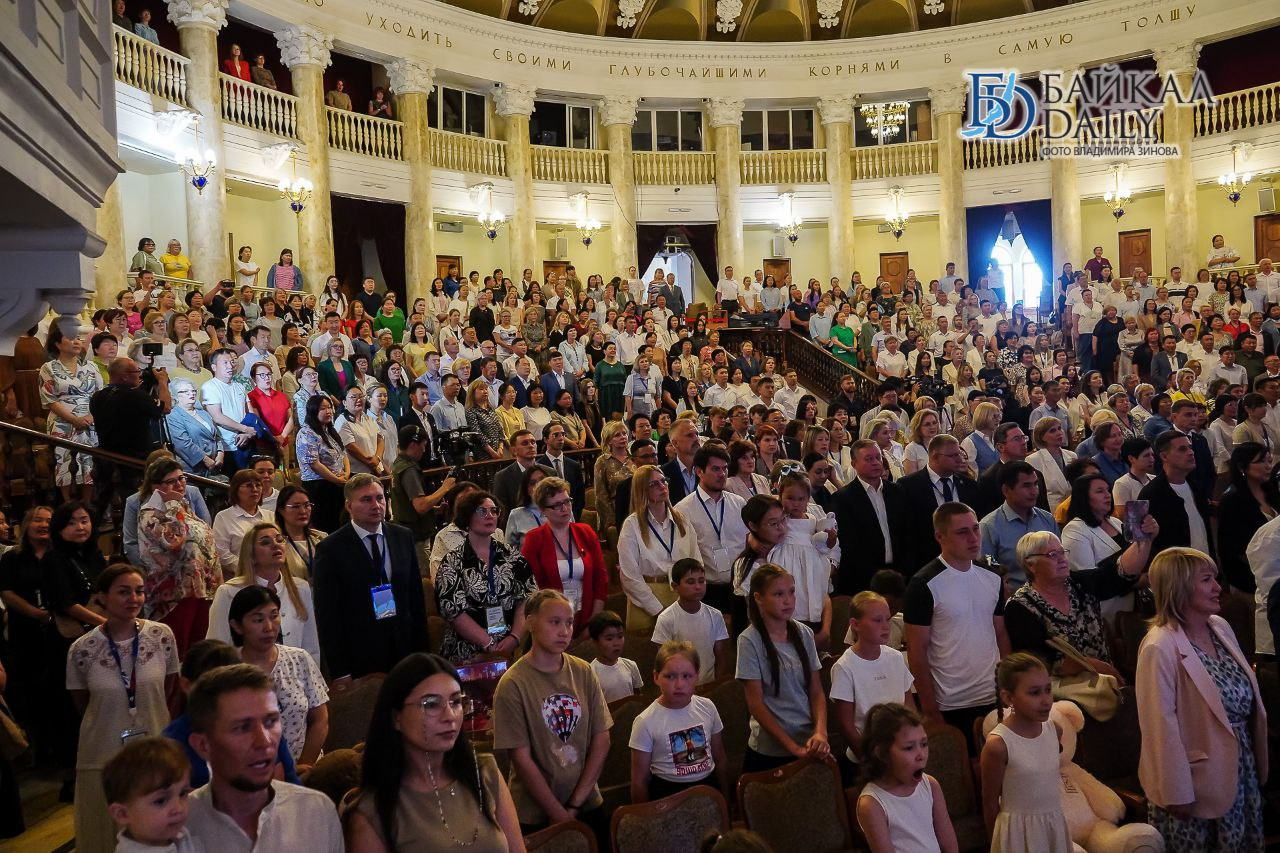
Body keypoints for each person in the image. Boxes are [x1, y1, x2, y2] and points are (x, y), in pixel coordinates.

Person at [1137, 547, 1266, 851]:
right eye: (1207, 580)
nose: (1218, 587)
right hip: (1195, 782)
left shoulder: (1219, 626)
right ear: (1179, 587)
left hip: (1239, 767)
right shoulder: (1159, 645)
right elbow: (1159, 727)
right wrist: (1176, 791)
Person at [347, 653, 525, 852]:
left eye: (456, 702)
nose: (449, 716)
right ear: (396, 717)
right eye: (431, 704)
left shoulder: (485, 773)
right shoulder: (373, 812)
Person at [67, 565, 180, 853]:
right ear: (102, 597)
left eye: (139, 591)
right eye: (123, 592)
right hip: (103, 750)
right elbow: (84, 703)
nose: (134, 598)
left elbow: (168, 690)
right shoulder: (82, 648)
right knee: (104, 834)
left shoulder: (162, 636)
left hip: (155, 744)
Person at [184, 664, 344, 851]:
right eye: (242, 727)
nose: (264, 741)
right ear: (203, 745)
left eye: (271, 721)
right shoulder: (177, 828)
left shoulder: (316, 812)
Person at [492, 589, 613, 834]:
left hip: (584, 800)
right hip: (535, 811)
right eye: (555, 622)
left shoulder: (583, 671)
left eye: (569, 623)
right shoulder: (512, 683)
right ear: (530, 622)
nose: (564, 631)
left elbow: (601, 737)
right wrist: (558, 814)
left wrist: (575, 804)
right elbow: (521, 758)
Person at [904, 503, 1009, 752]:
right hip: (951, 701)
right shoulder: (923, 584)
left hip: (993, 694)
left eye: (975, 529)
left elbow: (1000, 634)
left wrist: (1009, 686)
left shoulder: (993, 577)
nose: (973, 538)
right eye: (962, 532)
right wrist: (929, 707)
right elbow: (916, 652)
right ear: (940, 537)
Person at [313, 474, 427, 686]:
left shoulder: (402, 536)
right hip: (360, 652)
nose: (376, 505)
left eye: (380, 498)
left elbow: (416, 599)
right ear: (349, 505)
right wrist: (340, 671)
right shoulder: (330, 549)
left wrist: (423, 654)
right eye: (366, 499)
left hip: (404, 646)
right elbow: (328, 615)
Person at [736, 564, 828, 772]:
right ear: (759, 598)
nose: (788, 600)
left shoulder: (804, 633)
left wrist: (820, 732)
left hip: (807, 739)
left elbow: (816, 690)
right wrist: (793, 748)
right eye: (778, 594)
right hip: (770, 750)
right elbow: (756, 705)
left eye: (791, 592)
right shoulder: (749, 640)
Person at [979, 653, 1074, 852]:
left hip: (1052, 827)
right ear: (1008, 697)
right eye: (1034, 693)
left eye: (1048, 690)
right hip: (1017, 835)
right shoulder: (998, 745)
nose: (1046, 700)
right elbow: (990, 803)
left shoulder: (1055, 730)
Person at [226, 586, 328, 769]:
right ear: (237, 626)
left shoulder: (299, 659)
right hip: (252, 772)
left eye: (274, 616)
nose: (269, 627)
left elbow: (320, 720)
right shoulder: (228, 671)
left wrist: (303, 767)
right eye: (258, 620)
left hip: (306, 768)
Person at [435, 489, 535, 664]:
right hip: (466, 653)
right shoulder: (452, 561)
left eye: (494, 511)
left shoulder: (512, 556)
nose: (490, 515)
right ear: (467, 517)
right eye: (482, 511)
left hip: (510, 648)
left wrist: (515, 637)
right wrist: (488, 643)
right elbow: (453, 611)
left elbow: (527, 598)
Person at [136, 458, 221, 654]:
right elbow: (174, 541)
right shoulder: (150, 513)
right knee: (177, 652)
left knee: (200, 651)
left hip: (201, 590)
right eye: (171, 481)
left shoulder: (183, 507)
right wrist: (173, 504)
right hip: (174, 595)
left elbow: (205, 543)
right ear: (155, 486)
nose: (180, 484)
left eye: (182, 478)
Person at [629, 640, 729, 803]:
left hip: (708, 788)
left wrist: (725, 800)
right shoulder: (645, 721)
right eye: (670, 676)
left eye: (687, 676)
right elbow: (639, 781)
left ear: (697, 676)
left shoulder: (708, 707)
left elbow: (720, 757)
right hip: (668, 793)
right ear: (656, 677)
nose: (679, 684)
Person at [208, 521, 319, 665]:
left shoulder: (301, 587)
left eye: (280, 539)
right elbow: (216, 648)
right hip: (246, 676)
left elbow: (311, 646)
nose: (276, 545)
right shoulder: (229, 592)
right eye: (265, 542)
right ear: (251, 554)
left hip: (294, 675)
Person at [831, 592, 914, 781]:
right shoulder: (845, 667)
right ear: (855, 624)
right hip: (867, 758)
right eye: (877, 620)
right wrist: (871, 761)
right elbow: (847, 726)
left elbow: (909, 706)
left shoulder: (895, 657)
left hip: (901, 751)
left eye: (887, 619)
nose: (885, 626)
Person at [855, 703, 959, 853]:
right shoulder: (872, 804)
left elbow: (950, 845)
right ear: (882, 753)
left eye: (924, 744)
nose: (921, 755)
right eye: (909, 748)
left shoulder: (930, 785)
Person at [617, 464, 701, 633]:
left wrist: (692, 592)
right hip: (648, 598)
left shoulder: (681, 519)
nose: (662, 486)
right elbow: (629, 576)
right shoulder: (632, 525)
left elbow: (696, 561)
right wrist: (657, 609)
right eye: (654, 484)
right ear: (642, 490)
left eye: (664, 481)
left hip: (682, 593)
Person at [522, 476, 608, 634]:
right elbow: (532, 589)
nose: (565, 508)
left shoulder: (586, 532)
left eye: (567, 501)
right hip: (552, 620)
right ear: (543, 510)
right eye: (557, 505)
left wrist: (593, 622)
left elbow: (601, 580)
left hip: (588, 616)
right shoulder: (534, 539)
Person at [833, 440, 909, 595]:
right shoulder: (843, 499)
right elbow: (849, 544)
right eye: (868, 459)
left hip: (898, 574)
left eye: (878, 457)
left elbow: (908, 534)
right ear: (854, 464)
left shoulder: (898, 492)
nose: (875, 462)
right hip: (862, 579)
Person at [896, 434, 979, 569]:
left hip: (964, 563)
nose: (960, 459)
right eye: (953, 456)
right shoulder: (908, 487)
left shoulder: (969, 485)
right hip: (925, 563)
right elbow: (906, 532)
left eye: (959, 454)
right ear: (935, 457)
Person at [102, 737, 198, 852]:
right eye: (161, 801)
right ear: (122, 814)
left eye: (182, 793)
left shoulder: (176, 835)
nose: (179, 808)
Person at [41, 321, 103, 500]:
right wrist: (73, 419)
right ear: (57, 343)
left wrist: (91, 416)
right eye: (70, 338)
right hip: (62, 421)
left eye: (78, 338)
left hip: (90, 420)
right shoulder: (48, 368)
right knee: (64, 462)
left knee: (89, 462)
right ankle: (67, 503)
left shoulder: (91, 366)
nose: (76, 341)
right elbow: (49, 399)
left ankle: (87, 504)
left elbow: (100, 395)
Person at [979, 462, 1060, 589]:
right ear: (1006, 490)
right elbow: (988, 573)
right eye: (1026, 486)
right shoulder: (988, 527)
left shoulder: (1047, 519)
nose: (1034, 491)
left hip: (1052, 592)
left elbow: (1060, 558)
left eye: (1036, 484)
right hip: (1014, 597)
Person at [652, 558, 731, 685]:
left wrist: (716, 684)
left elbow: (720, 656)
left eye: (701, 581)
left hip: (710, 684)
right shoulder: (666, 618)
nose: (698, 587)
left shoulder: (715, 615)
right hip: (681, 686)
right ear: (675, 586)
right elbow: (664, 662)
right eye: (690, 582)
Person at [1139, 430, 1213, 556]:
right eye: (1182, 449)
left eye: (1190, 447)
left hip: (1204, 560)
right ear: (1164, 456)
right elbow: (1143, 542)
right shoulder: (1151, 494)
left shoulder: (1195, 486)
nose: (1191, 452)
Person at [295, 395, 350, 532]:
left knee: (341, 525)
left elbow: (343, 454)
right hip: (318, 487)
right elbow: (314, 464)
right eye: (323, 408)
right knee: (326, 528)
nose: (328, 411)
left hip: (337, 484)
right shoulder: (307, 433)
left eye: (329, 407)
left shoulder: (329, 431)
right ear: (313, 411)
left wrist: (346, 474)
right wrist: (336, 479)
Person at [587, 611, 642, 702]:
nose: (616, 643)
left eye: (620, 636)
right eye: (609, 639)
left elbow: (638, 698)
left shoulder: (631, 665)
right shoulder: (591, 673)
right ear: (595, 642)